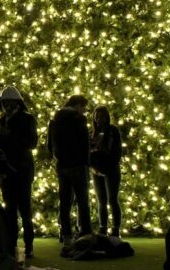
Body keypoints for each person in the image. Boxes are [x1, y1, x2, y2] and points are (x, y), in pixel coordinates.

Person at [0, 85, 39, 257]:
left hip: (22, 170)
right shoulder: (2, 120)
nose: (7, 106)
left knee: (25, 210)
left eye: (10, 102)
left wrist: (8, 134)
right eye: (5, 103)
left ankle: (29, 246)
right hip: (8, 171)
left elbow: (30, 142)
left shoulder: (27, 119)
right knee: (10, 211)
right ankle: (11, 245)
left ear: (18, 102)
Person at [48, 94, 92, 243]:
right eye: (83, 107)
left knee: (65, 200)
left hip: (62, 164)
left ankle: (65, 233)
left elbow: (50, 143)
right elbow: (84, 143)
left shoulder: (55, 119)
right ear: (78, 105)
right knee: (82, 200)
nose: (84, 111)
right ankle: (85, 232)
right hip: (78, 164)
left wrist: (57, 156)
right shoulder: (79, 119)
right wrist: (86, 163)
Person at [89, 105, 123, 239]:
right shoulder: (92, 133)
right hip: (96, 171)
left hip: (111, 169)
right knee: (101, 200)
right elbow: (89, 152)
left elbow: (117, 151)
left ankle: (115, 228)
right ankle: (103, 227)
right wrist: (94, 166)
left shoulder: (113, 131)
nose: (98, 120)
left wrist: (108, 165)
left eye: (101, 117)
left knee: (112, 199)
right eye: (96, 117)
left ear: (106, 117)